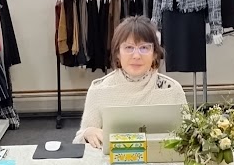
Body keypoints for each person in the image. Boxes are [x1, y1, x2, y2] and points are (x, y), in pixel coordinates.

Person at [75, 16, 187, 148]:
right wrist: (88, 133)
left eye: (144, 48)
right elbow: (79, 141)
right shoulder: (100, 90)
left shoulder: (171, 89)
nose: (136, 55)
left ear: (155, 54)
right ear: (117, 53)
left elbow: (189, 138)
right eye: (129, 47)